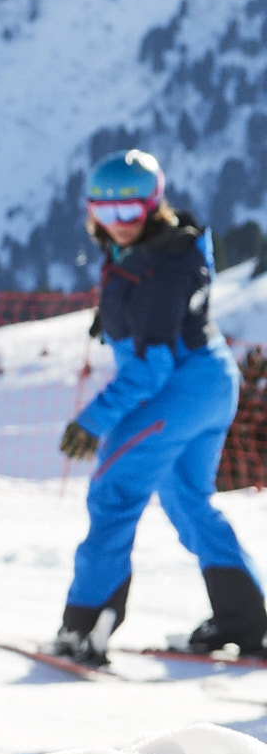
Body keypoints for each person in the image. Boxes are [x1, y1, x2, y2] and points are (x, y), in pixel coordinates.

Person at [51, 147, 265, 666]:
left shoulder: (161, 265)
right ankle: (247, 622)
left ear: (153, 204)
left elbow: (151, 370)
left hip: (182, 389)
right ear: (92, 212)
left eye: (131, 211)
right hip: (212, 384)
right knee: (188, 501)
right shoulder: (159, 248)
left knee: (114, 491)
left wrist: (93, 419)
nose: (119, 224)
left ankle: (86, 626)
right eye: (106, 212)